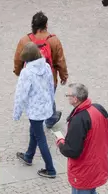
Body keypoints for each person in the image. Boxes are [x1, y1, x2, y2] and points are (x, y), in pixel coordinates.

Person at [14, 11, 68, 129]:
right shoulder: (54, 40)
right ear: (46, 25)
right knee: (49, 97)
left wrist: (18, 72)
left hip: (31, 79)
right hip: (49, 77)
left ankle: (36, 119)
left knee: (33, 99)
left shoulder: (24, 40)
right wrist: (63, 76)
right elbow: (60, 61)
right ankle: (50, 119)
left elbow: (18, 59)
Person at [13, 42, 57, 179]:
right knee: (34, 131)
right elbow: (51, 86)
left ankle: (50, 169)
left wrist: (17, 113)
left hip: (34, 111)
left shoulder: (26, 73)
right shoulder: (46, 66)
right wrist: (51, 103)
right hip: (45, 107)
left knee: (40, 138)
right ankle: (28, 156)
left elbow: (21, 95)